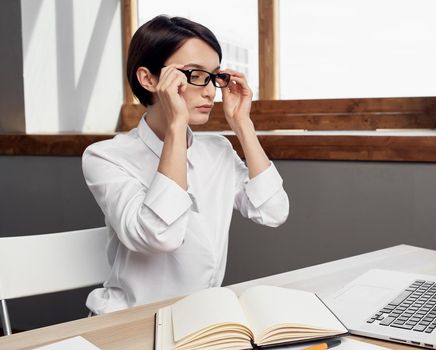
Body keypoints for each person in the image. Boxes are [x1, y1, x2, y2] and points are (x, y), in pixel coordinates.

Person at [82, 15, 289, 314]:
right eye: (194, 74)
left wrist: (242, 124)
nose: (209, 91)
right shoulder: (105, 157)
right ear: (148, 79)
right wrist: (177, 125)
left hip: (199, 318)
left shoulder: (216, 149)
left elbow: (273, 211)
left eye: (214, 76)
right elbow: (159, 236)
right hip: (128, 322)